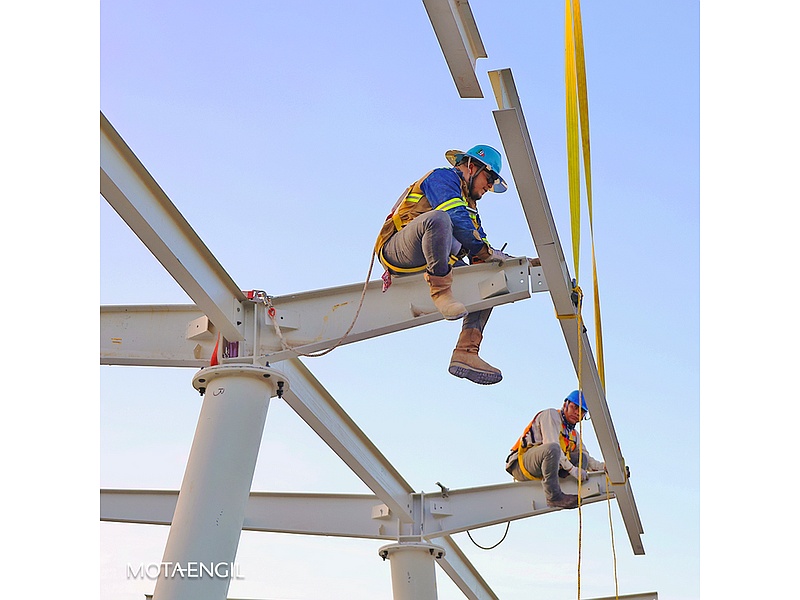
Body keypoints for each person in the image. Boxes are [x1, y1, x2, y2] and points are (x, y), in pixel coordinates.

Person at [374, 144, 513, 385]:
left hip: (431, 260)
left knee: (488, 280)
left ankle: (466, 352)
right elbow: (455, 218)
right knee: (439, 219)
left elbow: (482, 250)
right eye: (489, 178)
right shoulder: (443, 177)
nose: (489, 187)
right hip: (400, 249)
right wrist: (485, 251)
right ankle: (441, 292)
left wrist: (515, 263)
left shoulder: (470, 206)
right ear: (472, 166)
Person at [505, 390, 605, 509]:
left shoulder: (574, 435)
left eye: (582, 411)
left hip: (545, 465)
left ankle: (567, 485)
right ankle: (554, 496)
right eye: (574, 407)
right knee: (553, 448)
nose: (577, 413)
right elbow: (551, 444)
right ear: (565, 405)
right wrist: (573, 470)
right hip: (521, 464)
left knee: (581, 457)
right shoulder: (551, 415)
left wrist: (605, 468)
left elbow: (588, 460)